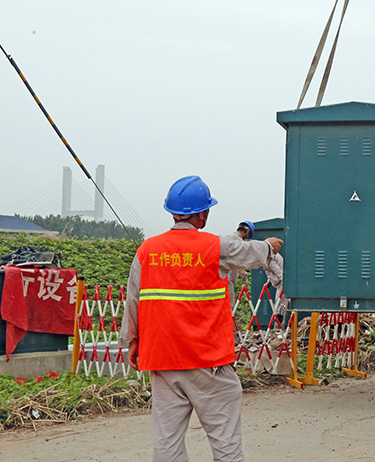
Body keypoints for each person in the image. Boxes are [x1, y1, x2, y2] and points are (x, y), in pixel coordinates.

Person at [119, 175, 283, 462]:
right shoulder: (215, 247)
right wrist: (270, 246)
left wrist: (133, 341)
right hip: (209, 362)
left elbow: (133, 299)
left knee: (166, 445)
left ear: (172, 212)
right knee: (225, 442)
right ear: (204, 213)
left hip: (163, 359)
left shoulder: (147, 250)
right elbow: (251, 254)